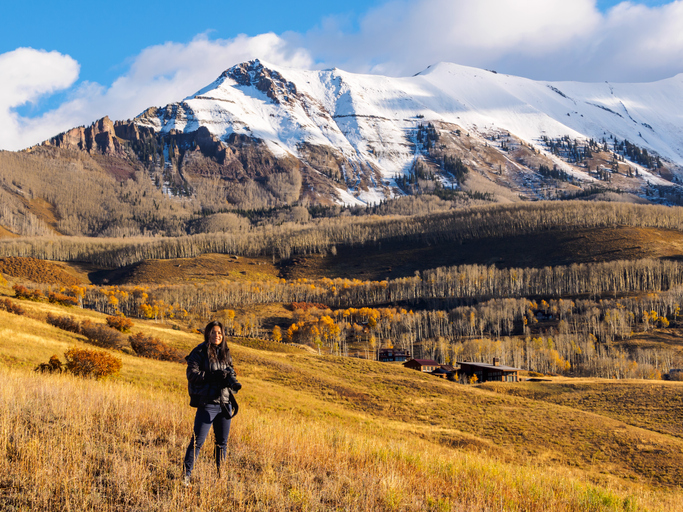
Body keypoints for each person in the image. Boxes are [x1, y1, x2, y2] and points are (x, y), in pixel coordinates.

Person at [183, 320, 241, 485]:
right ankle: (186, 476)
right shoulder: (199, 351)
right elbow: (191, 374)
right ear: (208, 333)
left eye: (220, 333)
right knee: (197, 441)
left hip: (224, 403)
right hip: (207, 403)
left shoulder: (225, 352)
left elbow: (230, 369)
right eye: (214, 332)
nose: (217, 336)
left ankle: (220, 476)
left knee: (222, 443)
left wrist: (230, 379)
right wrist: (211, 376)